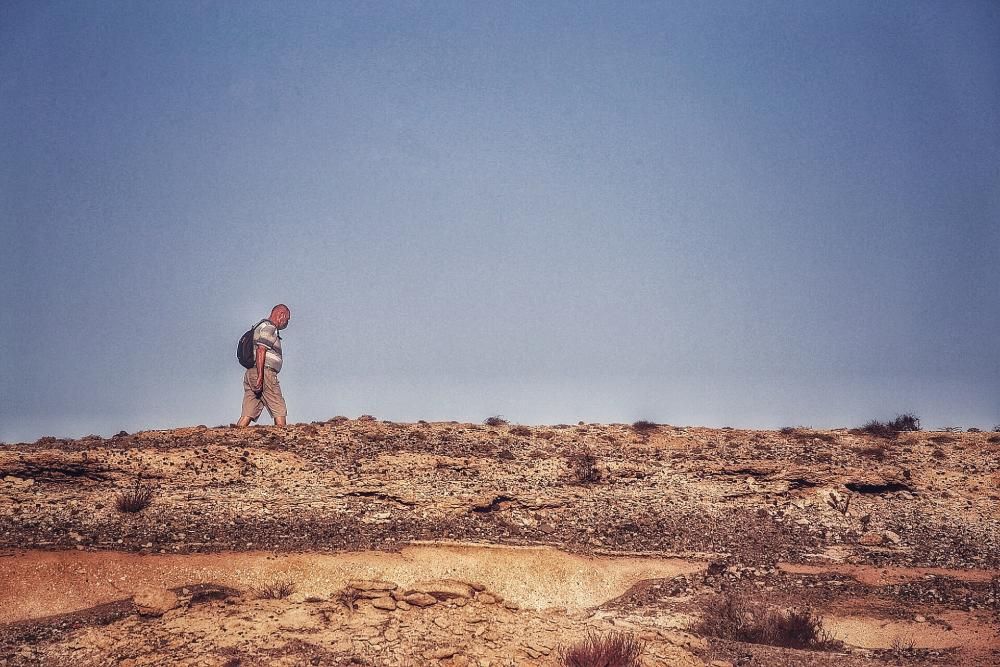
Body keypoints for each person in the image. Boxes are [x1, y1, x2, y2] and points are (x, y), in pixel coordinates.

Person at [237, 304, 291, 427]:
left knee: (248, 412)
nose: (286, 323)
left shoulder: (259, 326)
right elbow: (261, 350)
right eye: (287, 319)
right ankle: (283, 438)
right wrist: (261, 376)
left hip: (251, 372)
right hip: (264, 372)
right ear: (281, 315)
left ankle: (234, 437)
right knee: (279, 408)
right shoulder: (269, 328)